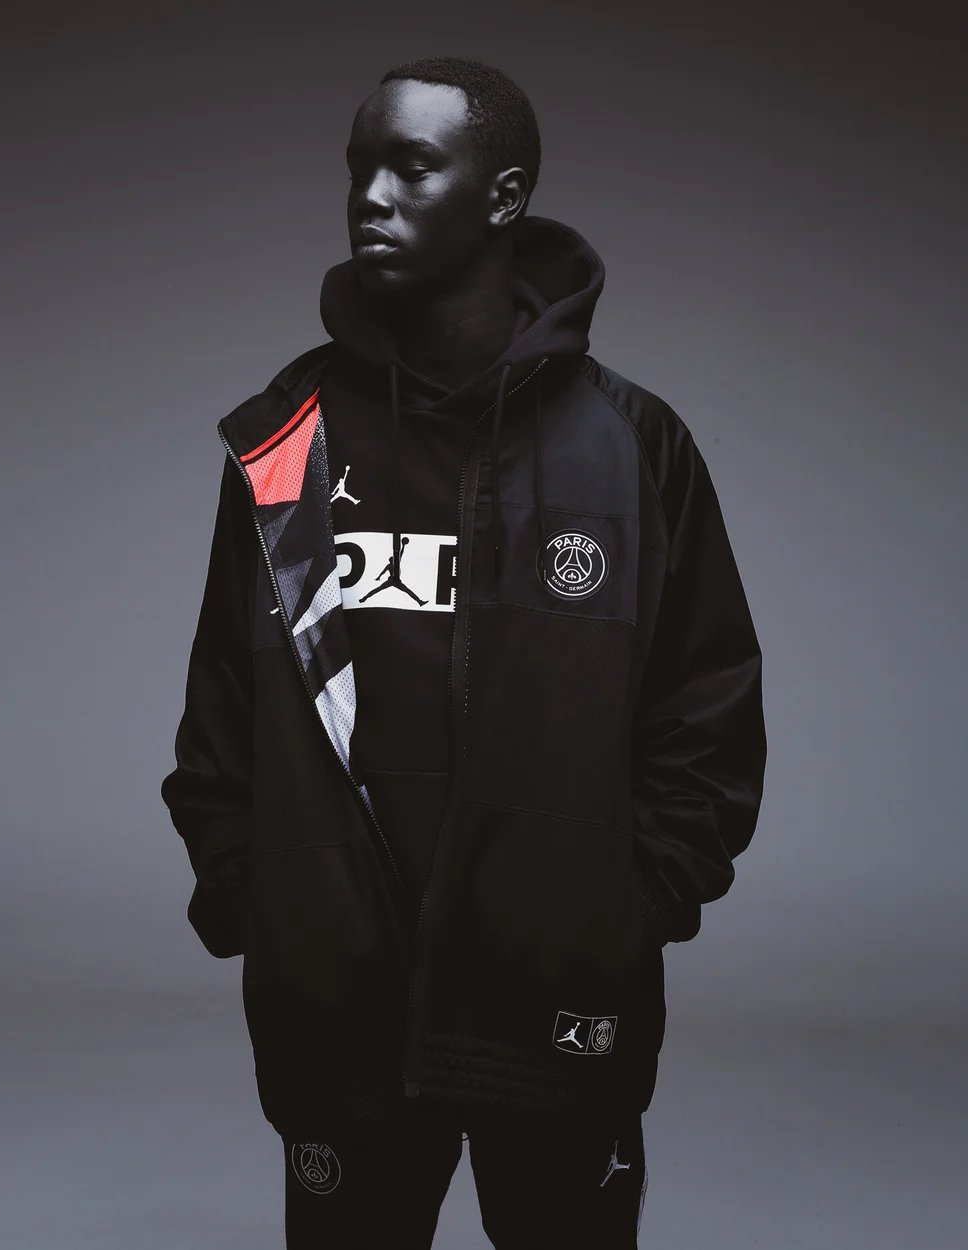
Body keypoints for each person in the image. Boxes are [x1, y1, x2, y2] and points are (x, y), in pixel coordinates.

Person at [160, 54, 767, 1249]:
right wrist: (257, 895)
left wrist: (627, 904)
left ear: (502, 196)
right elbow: (221, 704)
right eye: (357, 167)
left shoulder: (632, 446)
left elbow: (708, 702)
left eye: (410, 163)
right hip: (337, 1009)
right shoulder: (288, 443)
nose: (368, 194)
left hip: (557, 1000)